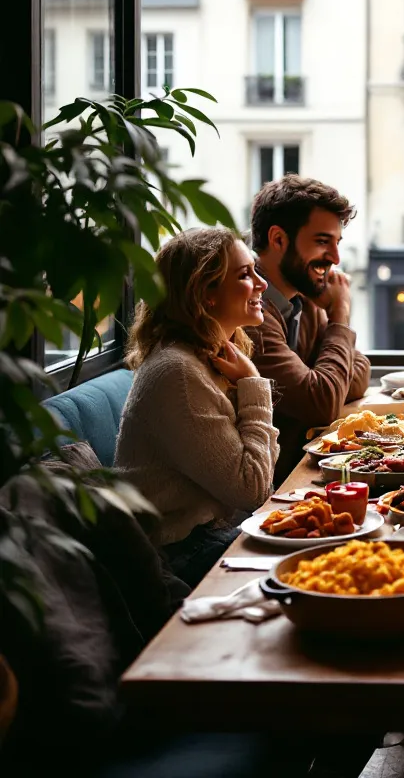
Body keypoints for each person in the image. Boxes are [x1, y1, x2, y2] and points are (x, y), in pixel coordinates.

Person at [115, 228, 279, 589]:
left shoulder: (206, 359)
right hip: (178, 552)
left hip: (209, 534)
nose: (261, 283)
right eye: (244, 274)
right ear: (206, 296)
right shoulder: (179, 373)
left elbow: (259, 471)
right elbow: (252, 488)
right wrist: (254, 386)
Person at [248, 176, 372, 483]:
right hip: (269, 486)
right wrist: (340, 316)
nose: (336, 258)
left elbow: (357, 378)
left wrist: (325, 377)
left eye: (337, 243)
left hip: (295, 472)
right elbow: (322, 403)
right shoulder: (250, 312)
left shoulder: (305, 300)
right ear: (278, 239)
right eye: (321, 241)